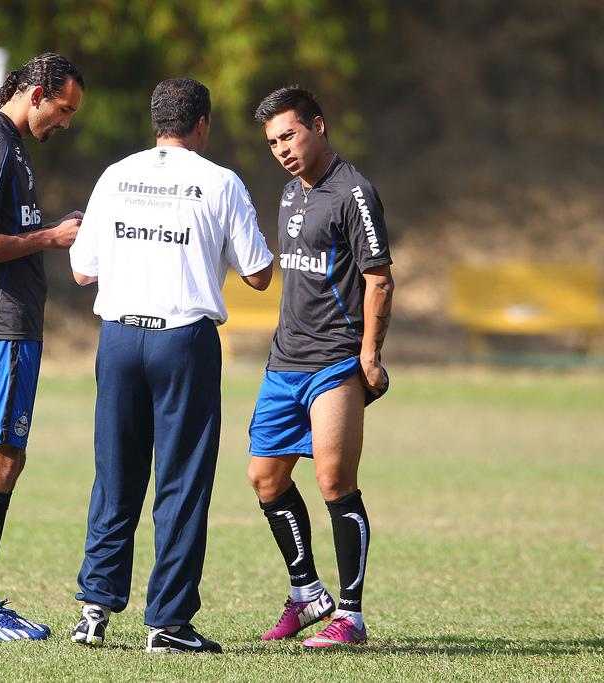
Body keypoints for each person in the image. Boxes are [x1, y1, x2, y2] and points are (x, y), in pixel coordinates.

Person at [69, 78, 274, 654]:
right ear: (202, 124)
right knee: (181, 481)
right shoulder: (221, 182)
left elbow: (82, 269)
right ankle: (168, 623)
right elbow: (258, 273)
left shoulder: (115, 175)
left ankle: (94, 610)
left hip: (117, 338)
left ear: (156, 122)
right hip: (182, 342)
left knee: (115, 473)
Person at [246, 85, 394, 648]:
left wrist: (369, 358)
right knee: (265, 479)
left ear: (318, 126)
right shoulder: (288, 195)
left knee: (335, 482)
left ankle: (350, 616)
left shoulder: (355, 193)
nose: (281, 149)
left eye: (289, 135)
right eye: (272, 142)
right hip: (283, 362)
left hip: (335, 363)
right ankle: (308, 594)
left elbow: (379, 277)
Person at [0, 53, 85, 641]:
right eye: (63, 108)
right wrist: (53, 237)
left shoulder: (8, 143)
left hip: (9, 324)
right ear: (36, 93)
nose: (66, 122)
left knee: (6, 453)